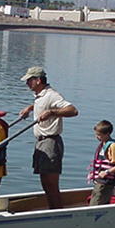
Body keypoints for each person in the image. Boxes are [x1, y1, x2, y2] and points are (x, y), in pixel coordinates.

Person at [18, 66, 78, 209]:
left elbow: (73, 110)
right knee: (44, 182)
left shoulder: (51, 94)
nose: (27, 83)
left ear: (38, 80)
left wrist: (52, 112)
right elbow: (42, 104)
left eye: (29, 80)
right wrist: (30, 108)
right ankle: (52, 210)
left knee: (51, 183)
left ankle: (57, 212)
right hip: (41, 142)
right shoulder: (40, 96)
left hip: (50, 141)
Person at [87, 120, 115, 205]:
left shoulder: (113, 146)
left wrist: (106, 172)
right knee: (99, 201)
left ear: (107, 134)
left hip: (106, 182)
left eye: (99, 135)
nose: (97, 137)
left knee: (95, 204)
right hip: (100, 181)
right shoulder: (103, 144)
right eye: (96, 134)